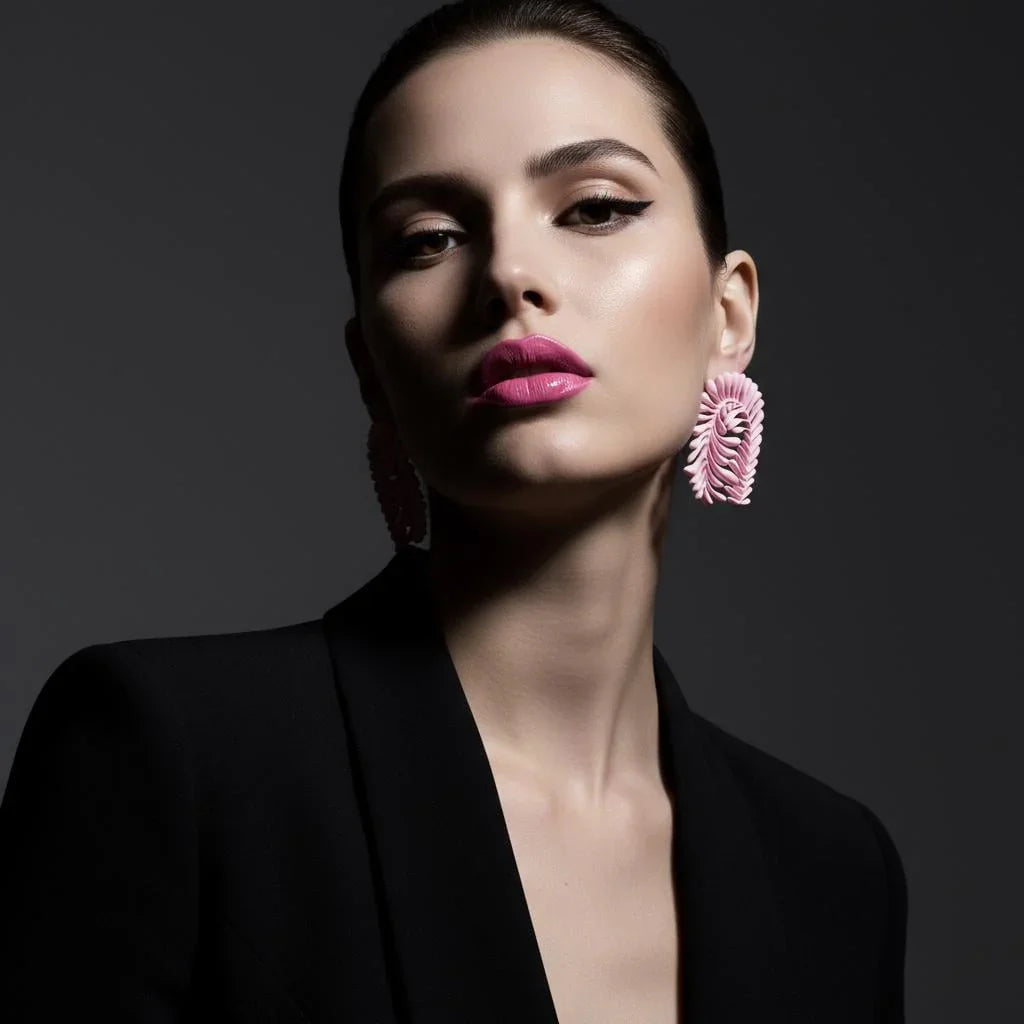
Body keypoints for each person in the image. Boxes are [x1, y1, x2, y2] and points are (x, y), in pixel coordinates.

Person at [0, 0, 908, 1020]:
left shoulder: (833, 872)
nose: (510, 274)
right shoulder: (173, 758)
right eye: (428, 237)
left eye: (595, 208)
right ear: (371, 370)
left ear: (727, 312)